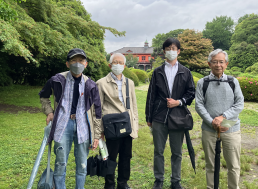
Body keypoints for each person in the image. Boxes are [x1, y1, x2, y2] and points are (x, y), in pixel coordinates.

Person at [39, 48, 102, 189]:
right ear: (67, 64)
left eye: (81, 61)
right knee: (60, 163)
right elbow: (43, 95)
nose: (77, 63)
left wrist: (97, 135)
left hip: (83, 126)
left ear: (86, 64)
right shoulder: (57, 80)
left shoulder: (91, 84)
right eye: (74, 60)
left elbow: (98, 111)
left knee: (82, 164)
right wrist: (49, 112)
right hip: (63, 124)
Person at [145, 38, 195, 189]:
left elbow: (191, 92)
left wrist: (179, 102)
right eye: (168, 48)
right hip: (159, 116)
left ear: (178, 51)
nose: (171, 51)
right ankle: (158, 179)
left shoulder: (185, 72)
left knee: (177, 152)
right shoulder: (157, 72)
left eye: (173, 48)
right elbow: (151, 95)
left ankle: (176, 181)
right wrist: (149, 117)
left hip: (178, 117)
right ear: (164, 51)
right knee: (158, 151)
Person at [195, 49, 244, 189]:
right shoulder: (202, 83)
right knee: (210, 164)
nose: (218, 65)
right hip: (209, 129)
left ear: (226, 64)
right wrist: (212, 122)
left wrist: (223, 117)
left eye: (221, 62)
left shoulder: (233, 82)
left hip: (231, 128)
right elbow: (199, 105)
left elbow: (239, 104)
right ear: (209, 64)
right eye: (215, 62)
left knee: (233, 165)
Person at [96, 53, 139, 189]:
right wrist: (99, 131)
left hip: (127, 125)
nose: (118, 65)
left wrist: (135, 125)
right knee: (110, 157)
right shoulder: (101, 83)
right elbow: (97, 109)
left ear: (124, 66)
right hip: (110, 127)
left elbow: (134, 105)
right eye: (115, 62)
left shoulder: (130, 83)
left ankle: (123, 183)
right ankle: (109, 184)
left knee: (126, 157)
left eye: (121, 62)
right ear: (110, 65)